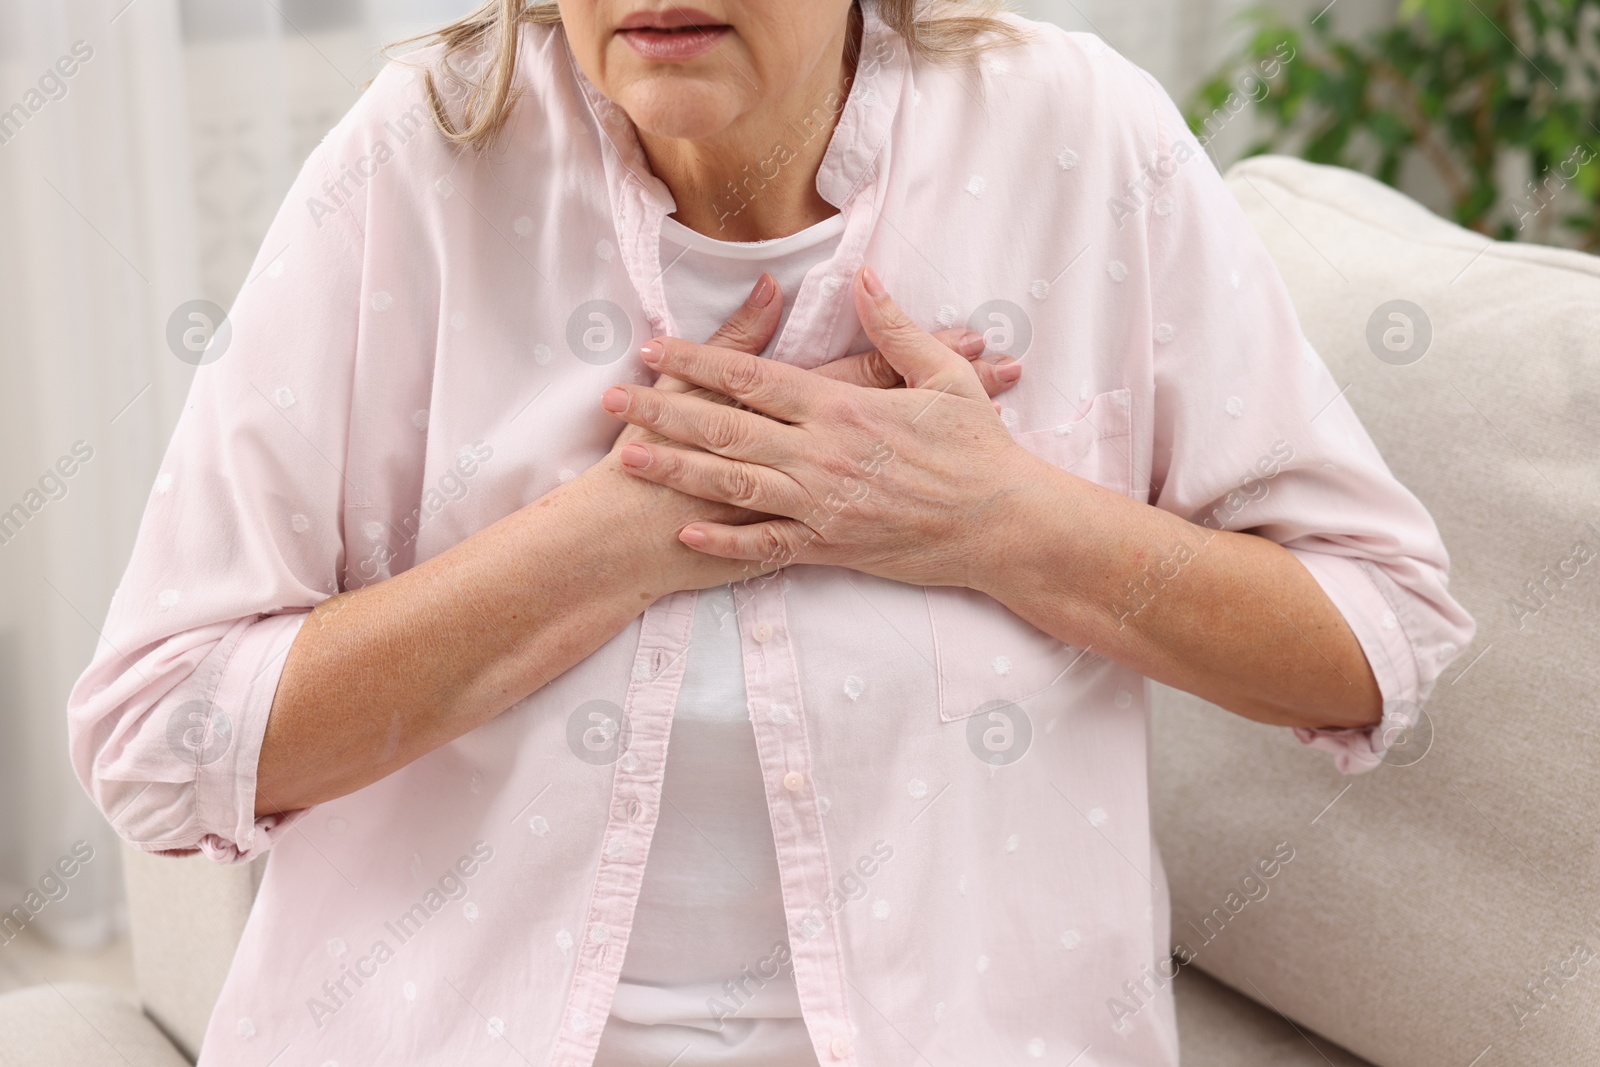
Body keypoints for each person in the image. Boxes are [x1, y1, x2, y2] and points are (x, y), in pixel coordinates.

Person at [67, 1, 1475, 1064]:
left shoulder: (1076, 137)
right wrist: (629, 529)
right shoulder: (421, 156)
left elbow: (1372, 638)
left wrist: (996, 519)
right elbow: (158, 736)